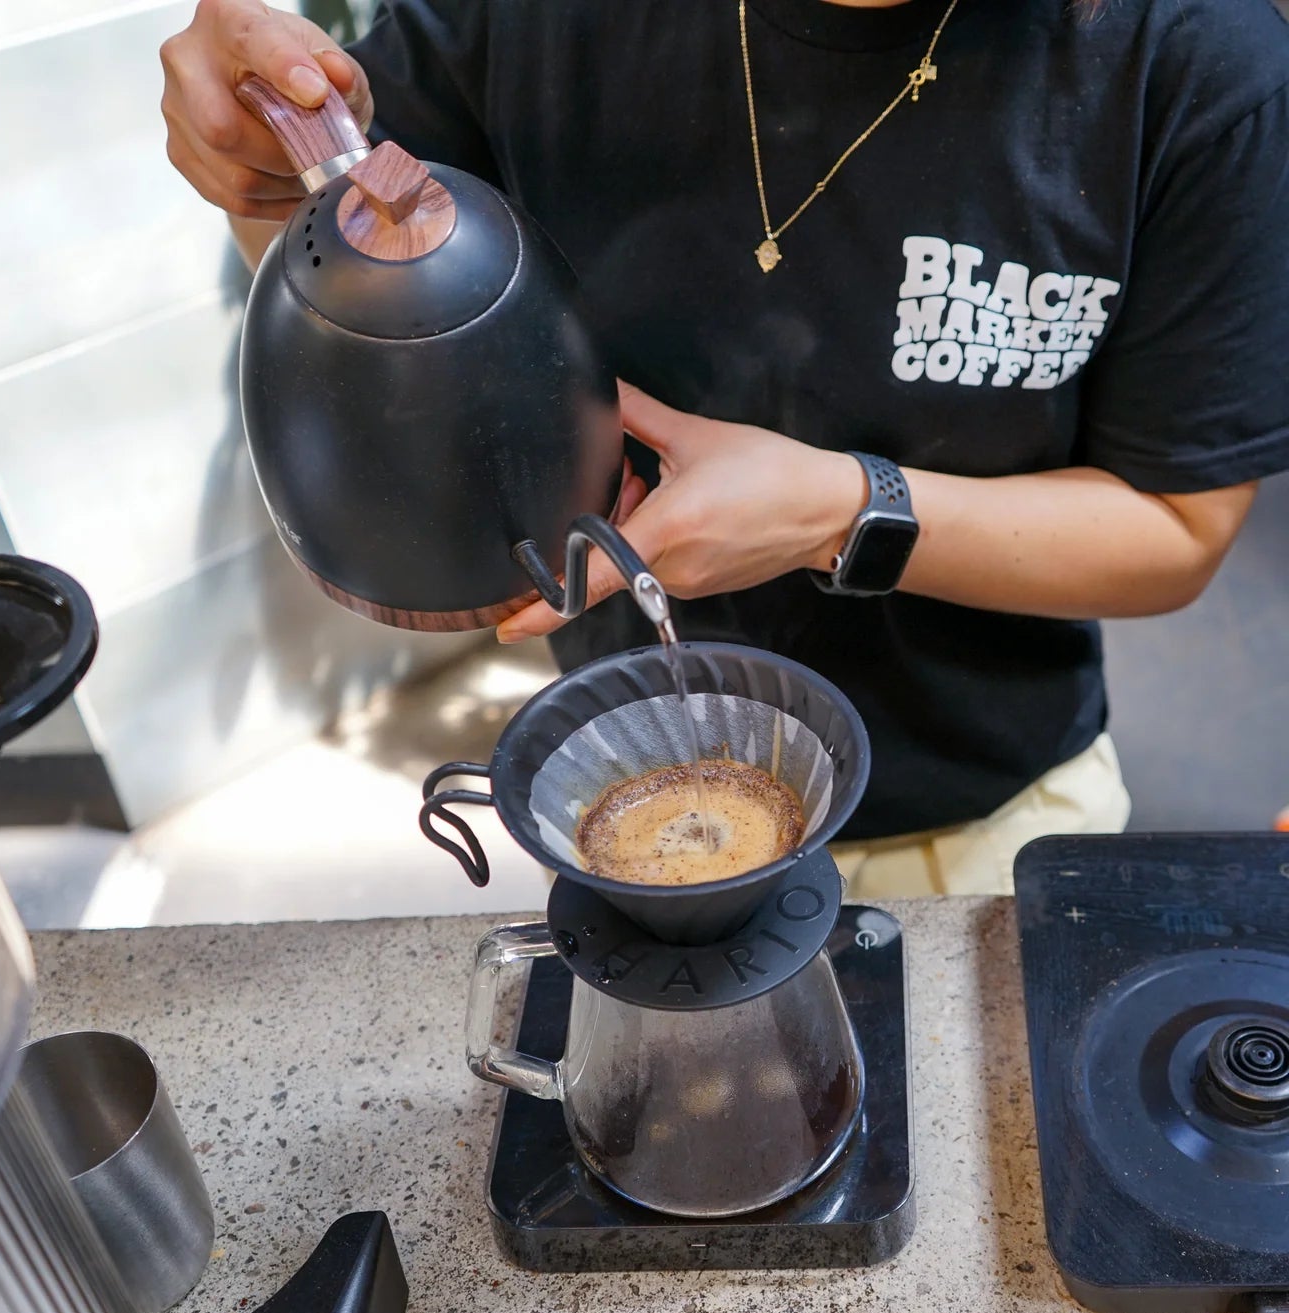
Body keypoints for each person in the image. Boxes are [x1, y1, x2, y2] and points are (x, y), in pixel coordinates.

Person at [160, 0, 1289, 898]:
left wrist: (839, 512)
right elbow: (345, 226)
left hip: (993, 816)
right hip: (627, 778)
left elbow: (1175, 530)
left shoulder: (1193, 62)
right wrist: (263, 156)